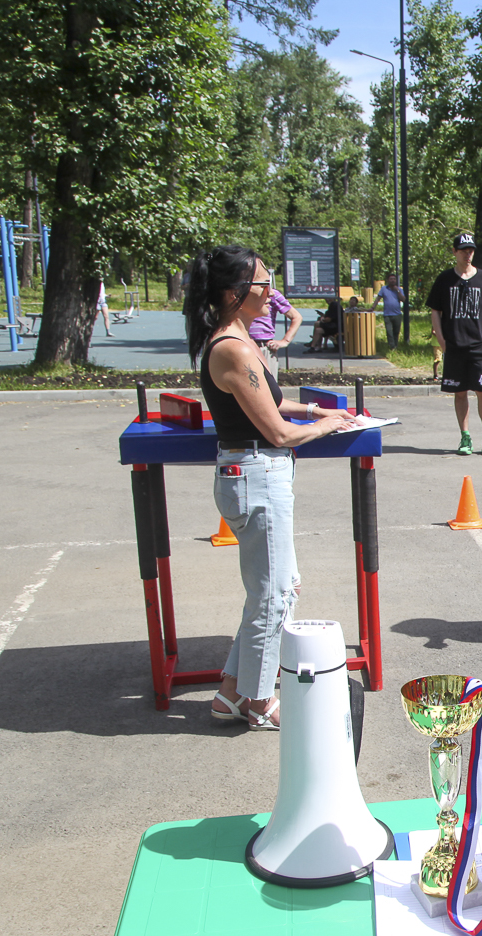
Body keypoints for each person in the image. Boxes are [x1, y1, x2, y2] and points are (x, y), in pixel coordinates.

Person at [184, 245, 357, 730]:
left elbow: (271, 405)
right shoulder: (233, 348)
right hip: (256, 474)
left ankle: (230, 694)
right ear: (232, 293)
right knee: (274, 595)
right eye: (262, 283)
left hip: (257, 474)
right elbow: (276, 433)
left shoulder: (240, 340)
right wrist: (326, 428)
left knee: (275, 589)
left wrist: (317, 412)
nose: (271, 292)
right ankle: (258, 700)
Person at [428, 233, 482, 457]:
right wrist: (441, 340)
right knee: (460, 393)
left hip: (479, 346)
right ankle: (465, 436)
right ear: (454, 252)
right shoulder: (444, 279)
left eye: (470, 250)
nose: (468, 254)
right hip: (454, 347)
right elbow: (435, 311)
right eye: (463, 250)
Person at [249, 281, 303, 364]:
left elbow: (296, 317)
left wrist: (285, 341)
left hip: (263, 346)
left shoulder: (273, 294)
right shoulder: (238, 294)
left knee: (267, 376)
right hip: (242, 344)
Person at [371, 273, 405, 350]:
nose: (392, 280)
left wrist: (397, 291)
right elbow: (378, 299)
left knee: (396, 332)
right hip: (387, 314)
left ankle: (395, 346)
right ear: (388, 280)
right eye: (391, 279)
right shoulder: (384, 289)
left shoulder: (399, 289)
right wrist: (373, 307)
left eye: (394, 279)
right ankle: (392, 346)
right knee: (389, 332)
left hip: (397, 314)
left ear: (396, 280)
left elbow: (403, 299)